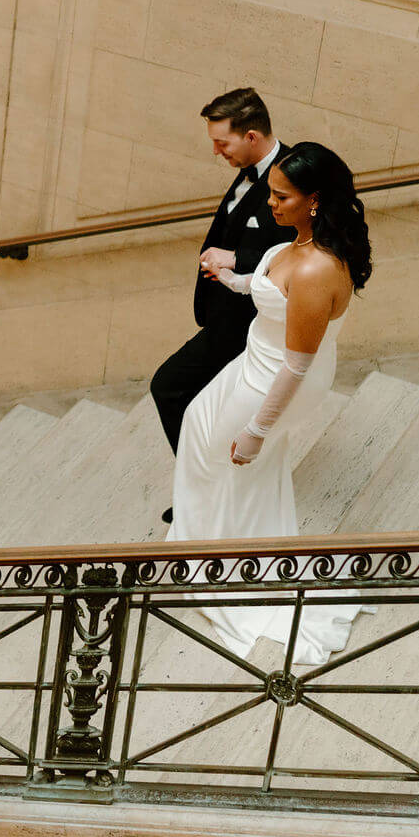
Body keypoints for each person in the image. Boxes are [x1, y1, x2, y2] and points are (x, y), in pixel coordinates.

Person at [167, 142, 373, 663]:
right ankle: (201, 542)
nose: (271, 203)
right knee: (195, 425)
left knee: (237, 463)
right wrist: (235, 279)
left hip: (276, 383)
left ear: (315, 200)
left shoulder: (315, 270)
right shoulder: (296, 243)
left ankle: (228, 565)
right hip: (255, 362)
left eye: (281, 196)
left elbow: (297, 365)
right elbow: (271, 293)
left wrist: (258, 430)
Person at [149, 89, 298, 520]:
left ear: (251, 136)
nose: (216, 152)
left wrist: (239, 259)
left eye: (222, 143)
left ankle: (203, 492)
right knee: (199, 405)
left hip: (246, 325)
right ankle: (209, 488)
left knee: (170, 386)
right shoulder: (251, 169)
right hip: (221, 318)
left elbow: (302, 246)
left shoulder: (290, 178)